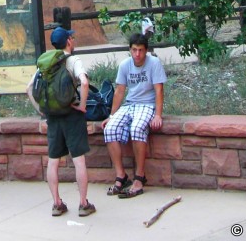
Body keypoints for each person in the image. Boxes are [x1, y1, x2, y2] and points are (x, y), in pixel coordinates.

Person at [26, 26, 96, 218]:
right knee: (78, 159)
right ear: (68, 41)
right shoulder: (72, 61)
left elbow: (29, 87)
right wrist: (82, 106)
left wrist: (41, 110)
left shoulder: (46, 63)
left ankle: (57, 204)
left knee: (53, 161)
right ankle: (83, 203)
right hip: (72, 115)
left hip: (53, 116)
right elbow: (84, 82)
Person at [102, 32, 166, 198]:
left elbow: (159, 90)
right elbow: (120, 91)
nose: (137, 54)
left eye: (141, 50)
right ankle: (121, 176)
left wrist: (158, 115)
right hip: (130, 104)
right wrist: (111, 115)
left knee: (137, 128)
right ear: (130, 50)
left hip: (147, 104)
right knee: (110, 129)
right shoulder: (125, 65)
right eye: (134, 50)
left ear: (146, 50)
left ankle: (139, 177)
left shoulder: (154, 63)